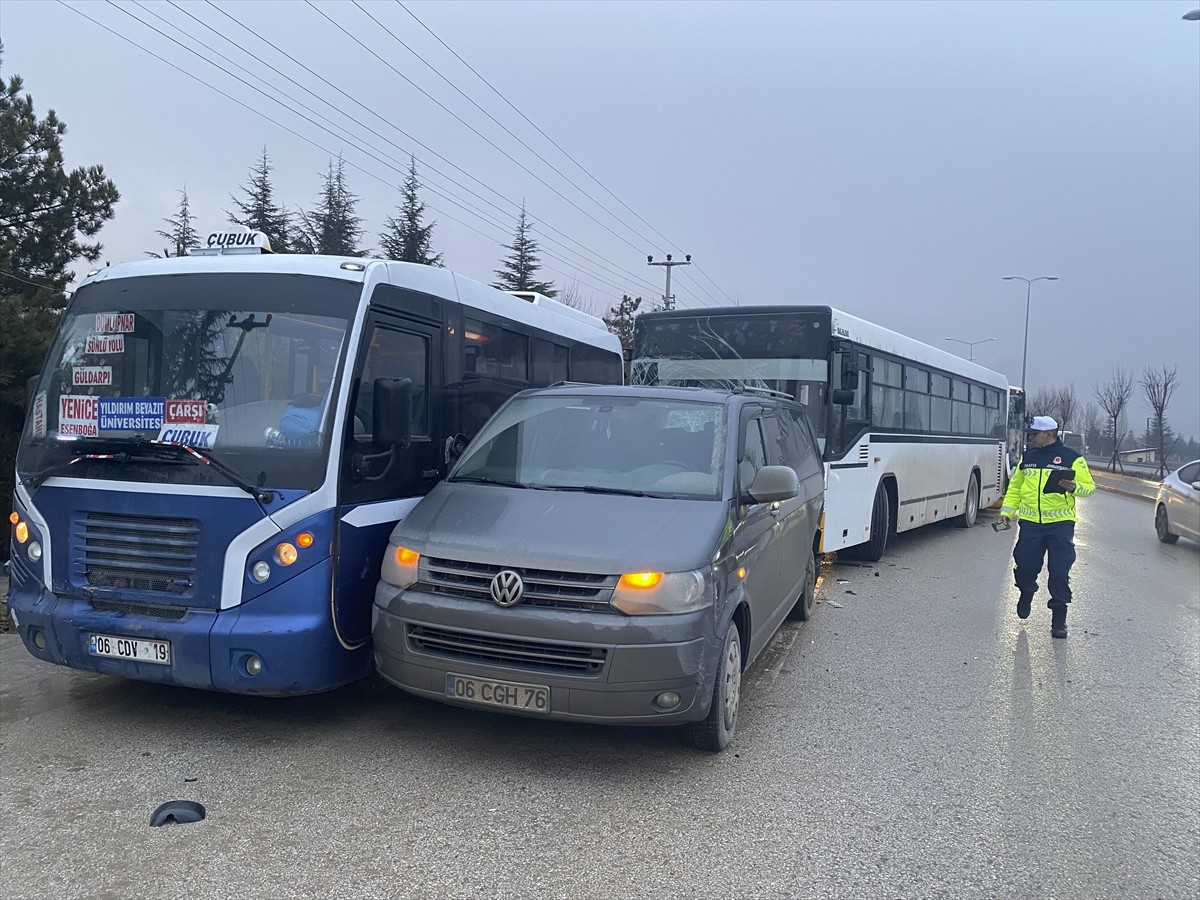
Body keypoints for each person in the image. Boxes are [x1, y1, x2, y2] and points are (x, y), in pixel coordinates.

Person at [999, 415, 1095, 639]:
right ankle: (1027, 591)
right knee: (1024, 567)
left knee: (1059, 572)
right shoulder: (1028, 457)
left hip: (1060, 525)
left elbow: (1089, 488)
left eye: (1035, 434)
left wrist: (1074, 487)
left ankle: (1059, 619)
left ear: (1049, 434)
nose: (1031, 437)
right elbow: (1015, 488)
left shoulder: (1072, 458)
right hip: (1031, 524)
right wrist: (1006, 513)